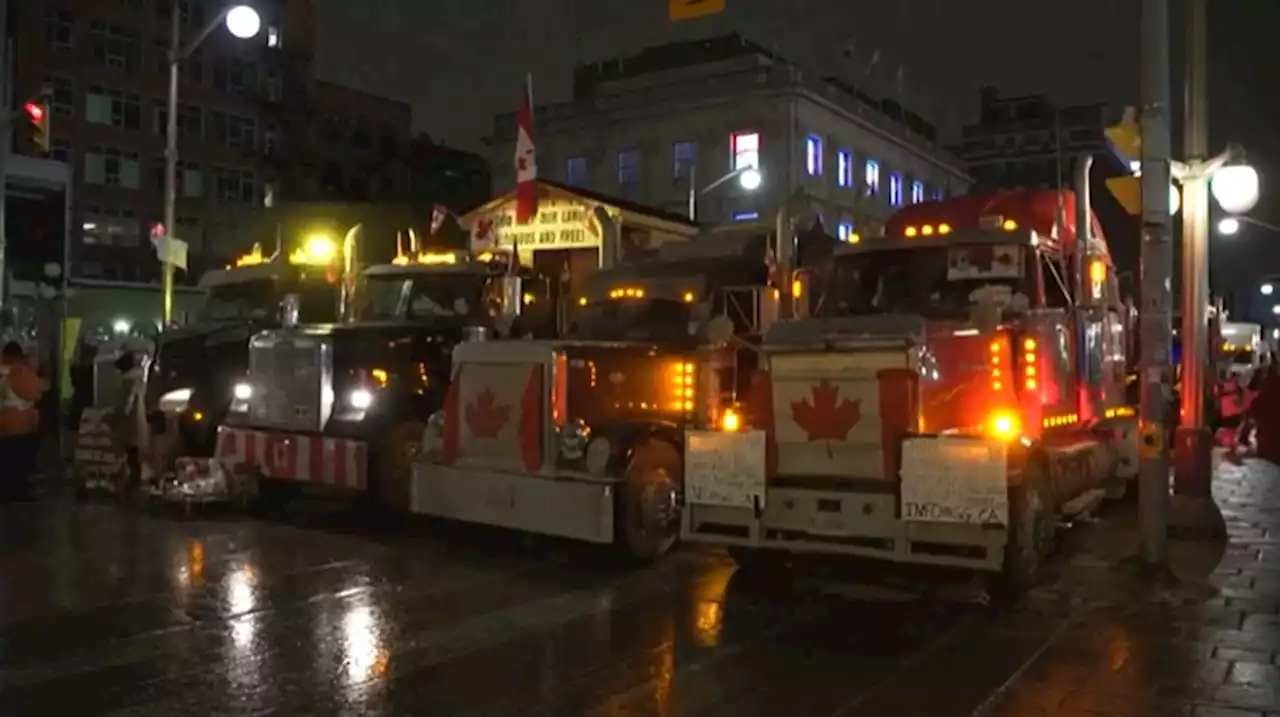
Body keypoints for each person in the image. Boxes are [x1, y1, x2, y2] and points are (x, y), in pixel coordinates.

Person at [0, 341, 44, 502]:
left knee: (5, 462)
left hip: (2, 426)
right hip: (21, 424)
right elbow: (35, 393)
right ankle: (18, 492)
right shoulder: (19, 371)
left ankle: (5, 492)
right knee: (20, 463)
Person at [111, 350, 148, 498]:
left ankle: (133, 483)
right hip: (137, 420)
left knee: (131, 452)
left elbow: (126, 405)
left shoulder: (128, 382)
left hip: (129, 423)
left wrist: (115, 413)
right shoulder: (139, 380)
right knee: (134, 452)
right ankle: (134, 481)